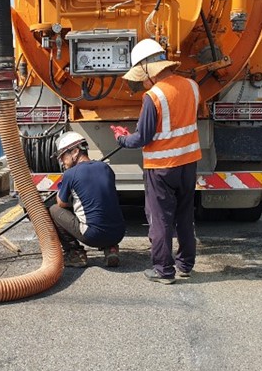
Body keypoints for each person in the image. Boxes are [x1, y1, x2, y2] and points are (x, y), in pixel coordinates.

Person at [111, 38, 200, 284]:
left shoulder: (153, 96)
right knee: (184, 216)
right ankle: (185, 265)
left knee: (160, 219)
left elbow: (142, 137)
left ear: (149, 70)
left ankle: (164, 270)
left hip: (161, 168)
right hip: (188, 163)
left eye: (142, 76)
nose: (142, 82)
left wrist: (121, 138)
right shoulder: (192, 86)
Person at [49, 131, 126, 268]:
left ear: (75, 152)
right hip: (118, 232)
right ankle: (111, 249)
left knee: (54, 210)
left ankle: (75, 254)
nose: (61, 161)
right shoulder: (106, 168)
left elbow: (61, 203)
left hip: (93, 236)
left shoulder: (70, 174)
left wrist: (63, 188)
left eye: (63, 156)